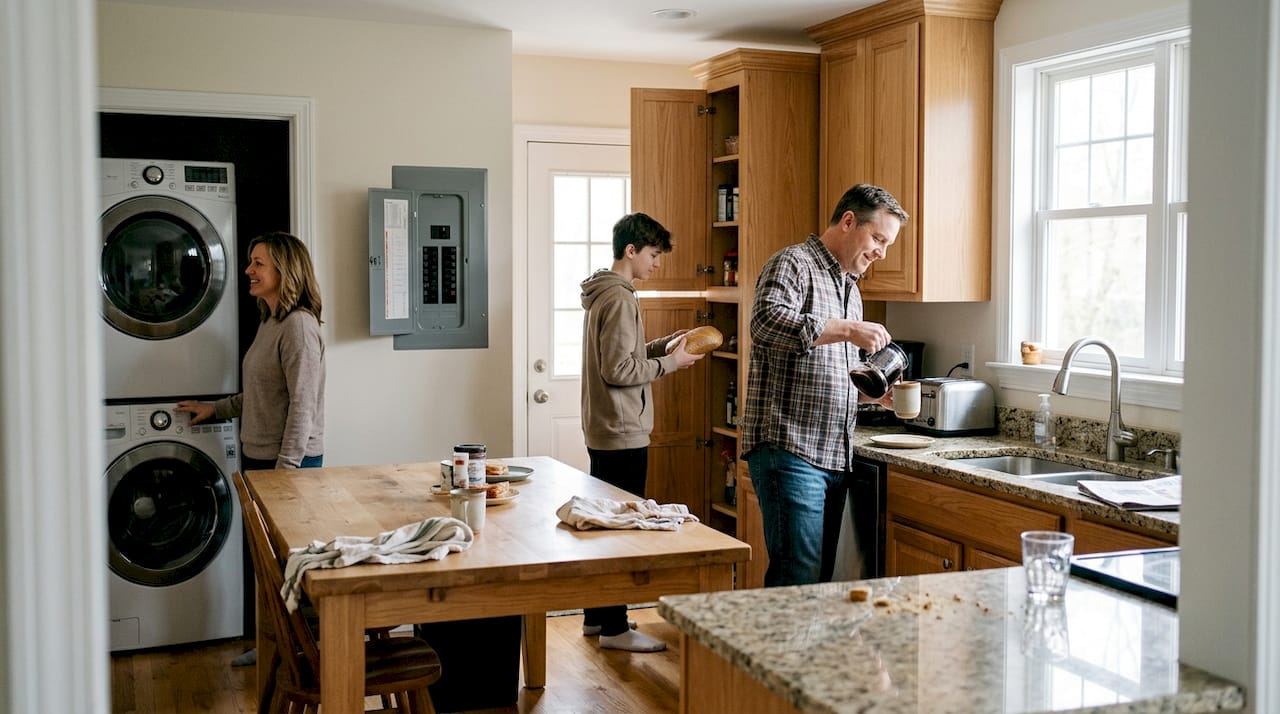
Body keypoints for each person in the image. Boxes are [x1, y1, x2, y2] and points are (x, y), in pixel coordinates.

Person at [740, 184, 908, 587]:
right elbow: (764, 323)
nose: (882, 253)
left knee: (814, 581)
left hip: (834, 454)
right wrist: (849, 329)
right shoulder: (793, 264)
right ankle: (774, 654)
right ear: (849, 221)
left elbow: (834, 369)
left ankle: (797, 653)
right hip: (790, 448)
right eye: (878, 239)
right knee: (797, 579)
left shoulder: (850, 286)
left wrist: (873, 395)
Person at [176, 230, 326, 665]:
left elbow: (303, 406)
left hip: (290, 462)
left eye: (258, 263)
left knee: (291, 563)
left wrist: (286, 470)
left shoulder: (298, 326)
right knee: (270, 562)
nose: (248, 271)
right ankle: (276, 646)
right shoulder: (271, 321)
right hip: (263, 457)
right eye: (250, 262)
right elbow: (261, 395)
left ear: (285, 268)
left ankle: (299, 653)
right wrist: (215, 409)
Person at [579, 212, 703, 652]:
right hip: (622, 430)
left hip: (606, 427)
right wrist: (672, 364)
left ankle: (597, 618)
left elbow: (624, 354)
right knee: (623, 531)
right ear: (631, 251)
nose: (656, 264)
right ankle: (615, 628)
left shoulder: (605, 293)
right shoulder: (618, 298)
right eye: (652, 255)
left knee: (608, 524)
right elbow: (618, 370)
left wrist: (664, 345)